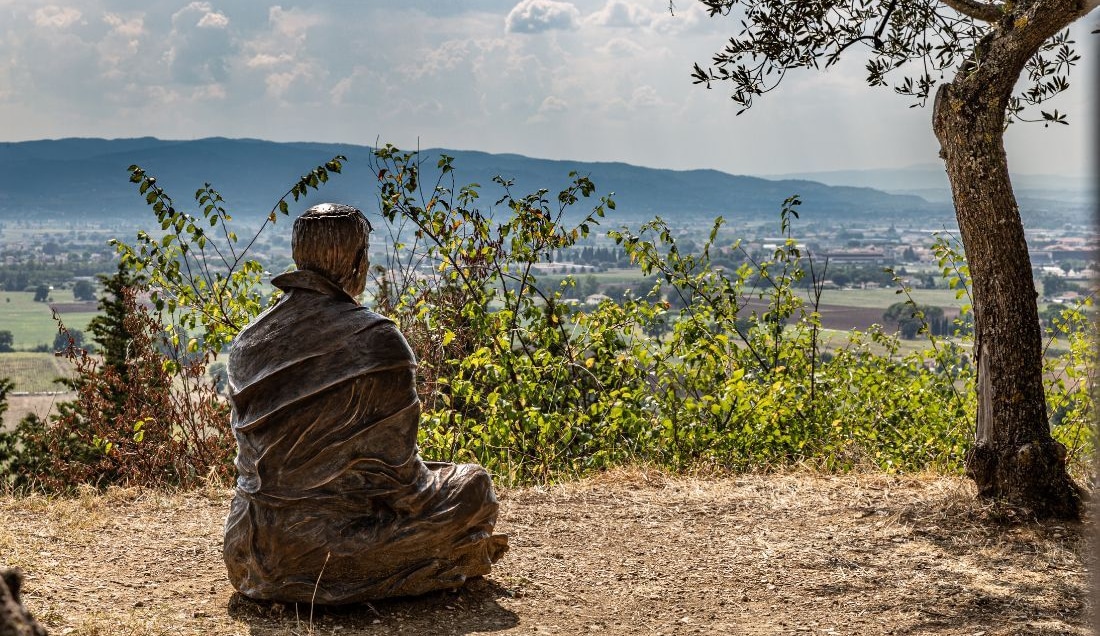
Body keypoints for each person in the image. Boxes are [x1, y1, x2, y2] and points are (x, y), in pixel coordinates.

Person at [223, 203, 507, 604]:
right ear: (357, 262)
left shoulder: (249, 340)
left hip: (246, 546)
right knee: (473, 485)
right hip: (325, 548)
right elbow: (403, 482)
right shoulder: (378, 340)